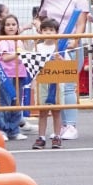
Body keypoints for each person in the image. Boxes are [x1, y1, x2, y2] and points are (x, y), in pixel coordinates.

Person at [36, 0, 89, 140]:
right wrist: (38, 26)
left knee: (67, 87)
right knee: (54, 86)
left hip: (69, 45)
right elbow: (40, 18)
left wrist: (76, 39)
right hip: (51, 48)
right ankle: (60, 127)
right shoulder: (48, 0)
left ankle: (71, 125)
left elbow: (81, 22)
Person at [0, 12, 30, 141]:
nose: (11, 27)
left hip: (19, 74)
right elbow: (5, 58)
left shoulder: (19, 40)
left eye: (13, 24)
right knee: (5, 102)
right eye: (8, 25)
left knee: (17, 102)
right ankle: (1, 129)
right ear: (3, 27)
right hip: (6, 76)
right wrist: (17, 54)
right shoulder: (3, 41)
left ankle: (14, 130)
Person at [32, 17, 62, 149]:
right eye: (45, 30)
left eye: (51, 30)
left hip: (57, 82)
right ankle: (41, 137)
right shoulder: (37, 47)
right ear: (40, 32)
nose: (48, 33)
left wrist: (60, 59)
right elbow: (32, 63)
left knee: (57, 111)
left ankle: (57, 136)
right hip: (42, 82)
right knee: (43, 112)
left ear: (56, 32)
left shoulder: (60, 47)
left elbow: (66, 65)